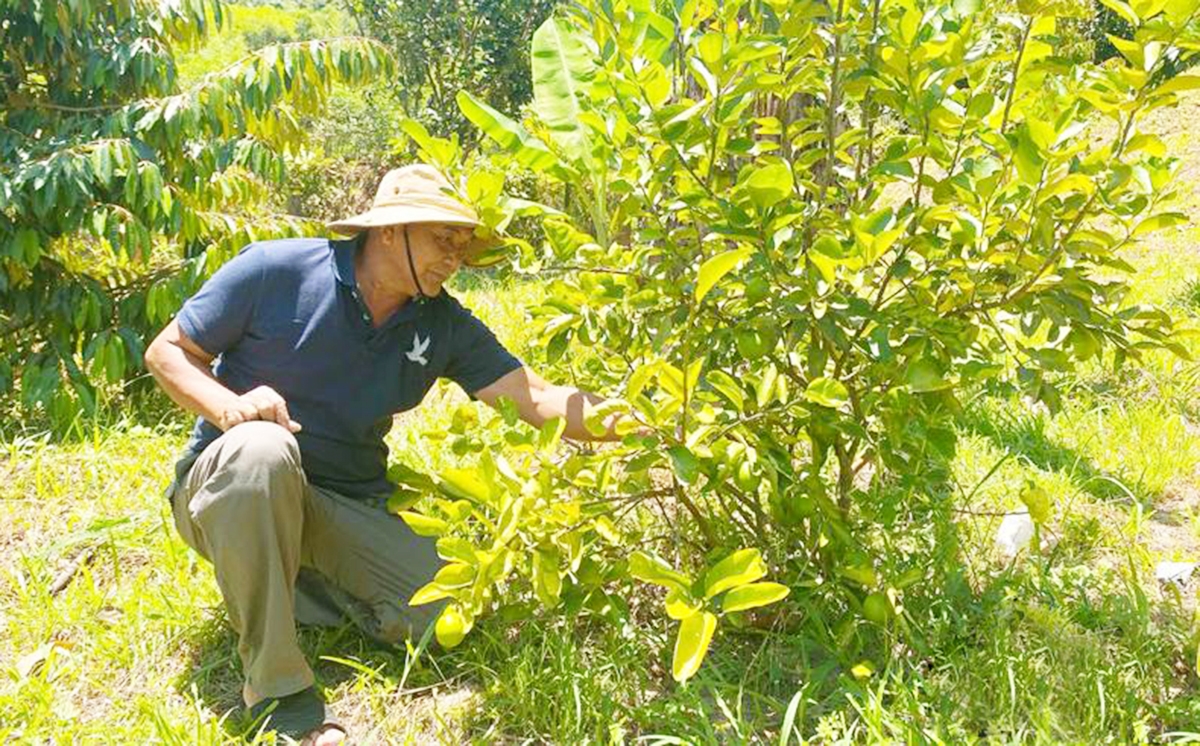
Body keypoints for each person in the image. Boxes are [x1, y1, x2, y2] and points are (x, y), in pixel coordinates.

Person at [144, 164, 634, 745]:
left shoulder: (441, 322)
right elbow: (167, 351)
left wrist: (652, 425)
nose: (453, 258)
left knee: (443, 612)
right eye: (442, 239)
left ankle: (276, 580)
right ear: (388, 231)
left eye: (462, 246)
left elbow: (539, 397)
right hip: (229, 485)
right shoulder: (275, 270)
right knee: (262, 448)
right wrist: (230, 408)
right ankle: (277, 693)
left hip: (342, 501)